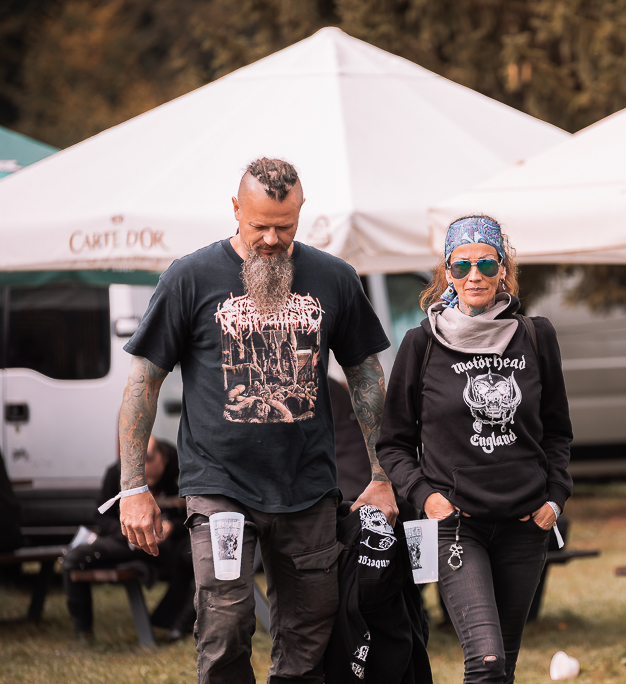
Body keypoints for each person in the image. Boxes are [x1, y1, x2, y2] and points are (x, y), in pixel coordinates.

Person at [116, 158, 396, 683]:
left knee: (311, 632)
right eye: (259, 225)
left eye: (284, 227)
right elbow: (143, 382)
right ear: (235, 209)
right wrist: (133, 486)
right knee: (224, 625)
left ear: (301, 212)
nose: (271, 239)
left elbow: (366, 377)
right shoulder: (190, 277)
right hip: (219, 486)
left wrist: (382, 475)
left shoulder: (334, 278)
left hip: (308, 488)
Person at [377, 215, 573, 684]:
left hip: (525, 526)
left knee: (504, 665)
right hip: (457, 526)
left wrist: (554, 500)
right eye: (461, 265)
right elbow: (394, 442)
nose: (474, 276)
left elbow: (557, 432)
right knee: (486, 662)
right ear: (447, 273)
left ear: (503, 268)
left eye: (486, 263)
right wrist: (428, 499)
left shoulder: (535, 335)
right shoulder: (422, 344)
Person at [63, 437, 193, 640]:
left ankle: (180, 625)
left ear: (163, 459)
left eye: (153, 475)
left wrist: (172, 527)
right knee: (74, 558)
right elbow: (102, 517)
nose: (149, 481)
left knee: (198, 557)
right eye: (142, 477)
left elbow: (194, 513)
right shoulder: (116, 473)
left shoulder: (182, 468)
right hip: (128, 543)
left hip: (169, 545)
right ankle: (83, 635)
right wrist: (128, 533)